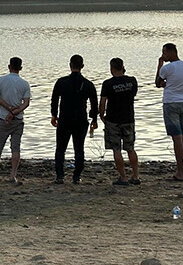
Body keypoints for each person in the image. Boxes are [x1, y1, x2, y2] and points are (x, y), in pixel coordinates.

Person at [50, 54, 98, 184]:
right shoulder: (88, 84)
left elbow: (54, 99)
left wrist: (54, 115)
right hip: (81, 120)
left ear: (70, 65)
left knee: (60, 148)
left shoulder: (61, 82)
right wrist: (94, 119)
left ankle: (60, 176)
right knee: (79, 148)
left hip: (64, 118)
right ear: (82, 66)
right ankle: (76, 177)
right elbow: (94, 103)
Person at [0, 57, 31, 184]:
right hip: (18, 119)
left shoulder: (1, 80)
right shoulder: (25, 83)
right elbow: (26, 103)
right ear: (20, 68)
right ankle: (13, 175)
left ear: (9, 66)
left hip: (3, 119)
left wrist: (8, 109)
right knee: (15, 147)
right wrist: (15, 111)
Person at [100, 58, 140, 186]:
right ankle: (135, 175)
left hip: (113, 119)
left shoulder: (108, 84)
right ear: (123, 67)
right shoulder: (132, 81)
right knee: (130, 148)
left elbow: (103, 102)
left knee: (116, 149)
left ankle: (123, 177)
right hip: (128, 118)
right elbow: (133, 95)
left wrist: (101, 115)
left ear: (112, 68)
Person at [155, 43, 183, 181]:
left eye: (164, 53)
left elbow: (157, 82)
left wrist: (160, 63)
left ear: (171, 52)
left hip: (171, 103)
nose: (163, 55)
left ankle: (180, 171)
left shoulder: (168, 68)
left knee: (177, 139)